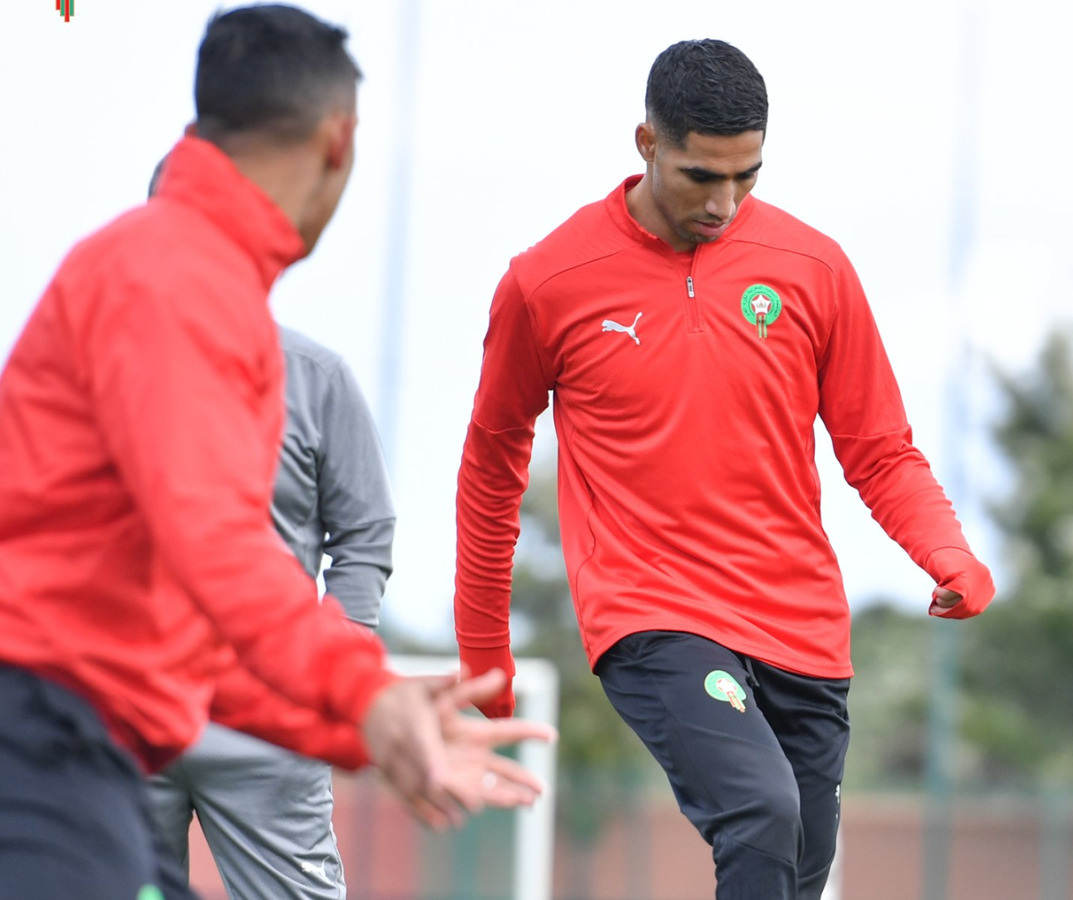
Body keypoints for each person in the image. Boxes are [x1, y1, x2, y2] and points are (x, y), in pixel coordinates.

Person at [0, 7, 552, 900]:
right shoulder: (175, 277)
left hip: (79, 745)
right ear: (342, 142)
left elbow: (187, 626)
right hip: (38, 745)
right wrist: (364, 691)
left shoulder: (193, 281)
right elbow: (218, 550)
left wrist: (360, 725)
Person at [453, 39, 994, 900]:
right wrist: (486, 655)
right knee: (760, 812)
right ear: (646, 143)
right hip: (652, 609)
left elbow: (880, 448)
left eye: (748, 176)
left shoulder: (816, 268)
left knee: (793, 865)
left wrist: (949, 553)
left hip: (803, 627)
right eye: (702, 176)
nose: (726, 202)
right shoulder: (545, 283)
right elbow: (491, 468)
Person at [147, 323, 396, 900]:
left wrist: (331, 672)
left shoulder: (317, 376)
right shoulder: (107, 363)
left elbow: (364, 532)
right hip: (129, 716)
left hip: (269, 726)